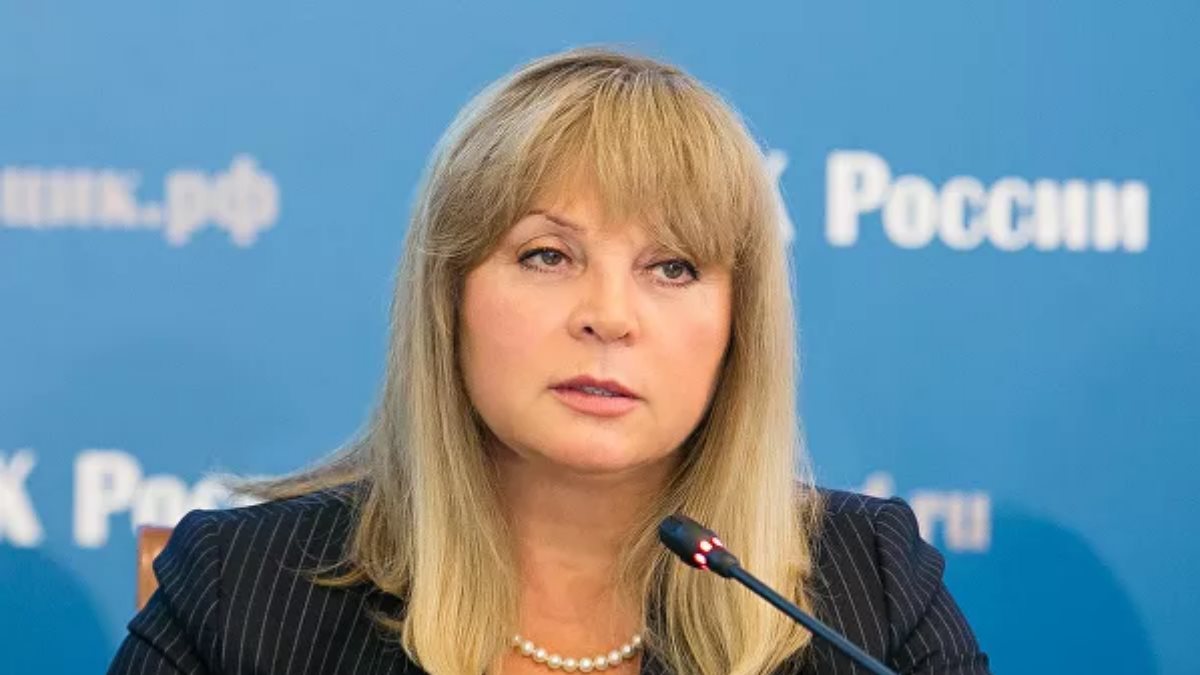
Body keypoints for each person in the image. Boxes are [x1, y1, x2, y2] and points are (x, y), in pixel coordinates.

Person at [108, 46, 990, 675]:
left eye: (672, 268)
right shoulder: (244, 592)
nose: (608, 316)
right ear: (449, 299)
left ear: (738, 326)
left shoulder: (867, 588)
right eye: (547, 255)